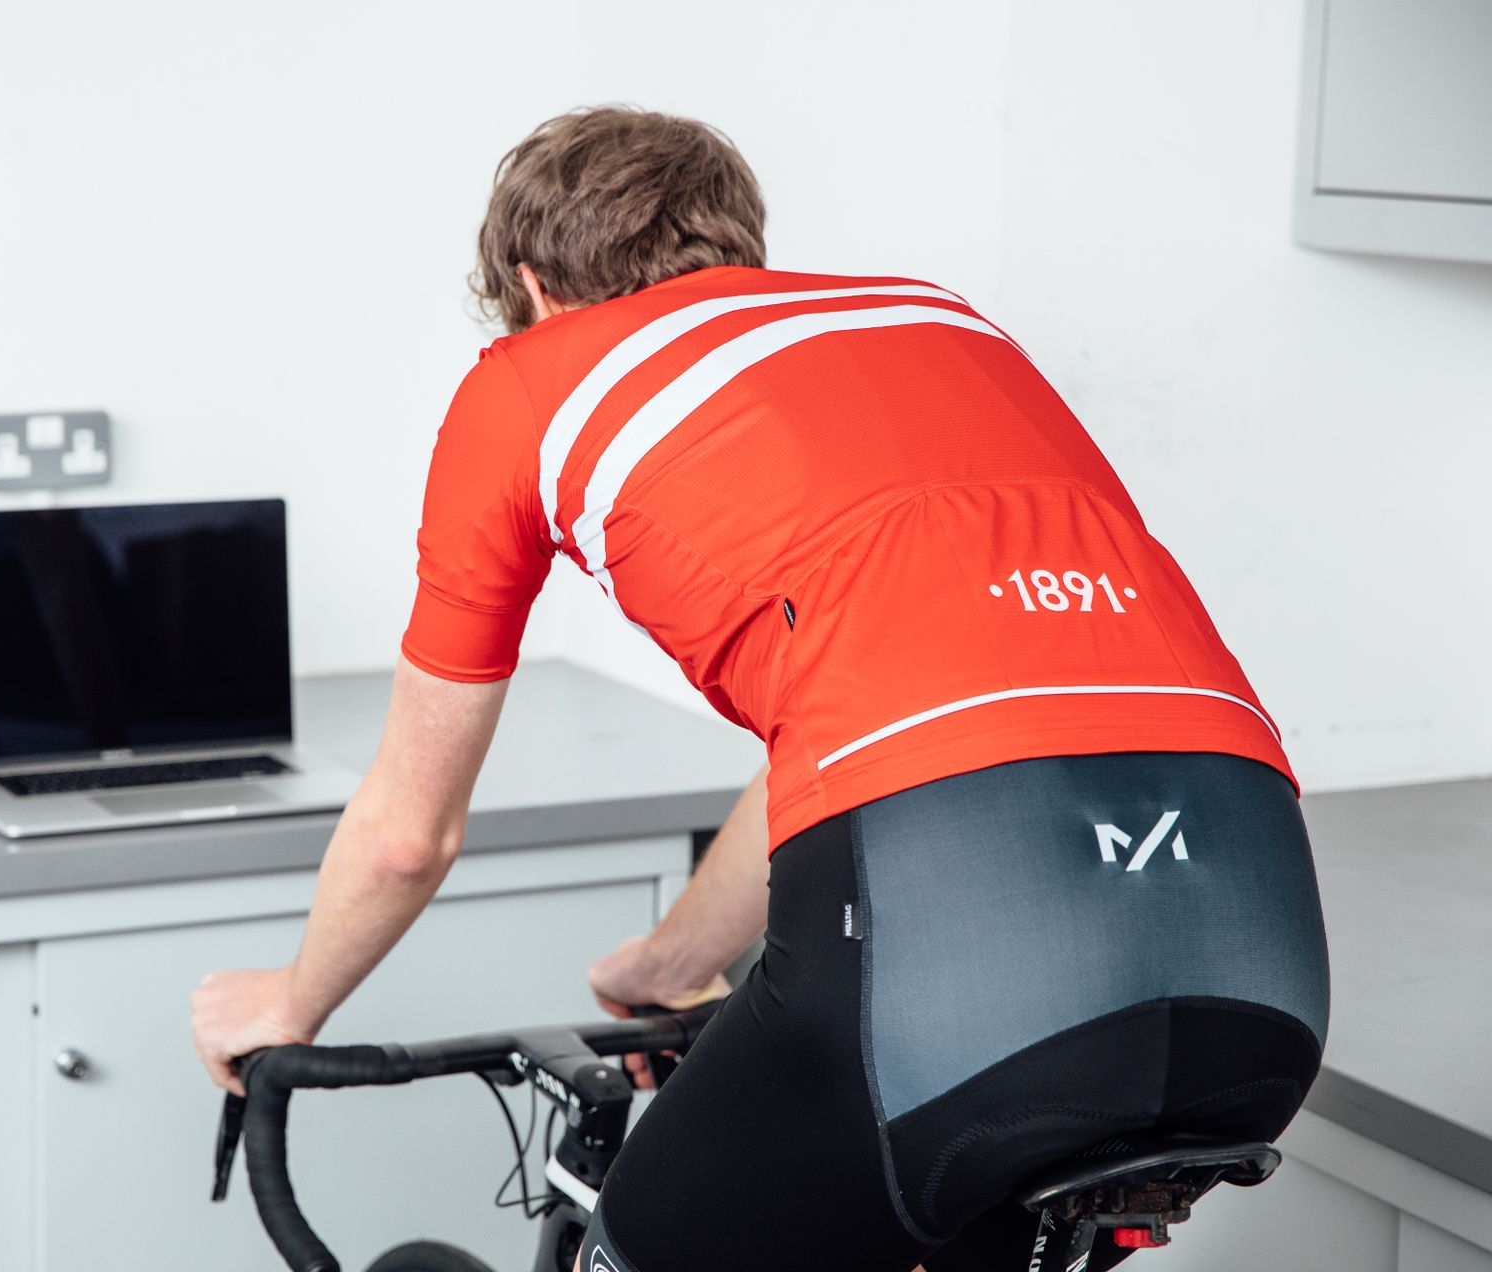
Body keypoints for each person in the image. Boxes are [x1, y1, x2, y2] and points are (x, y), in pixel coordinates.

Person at [190, 106, 1331, 1272]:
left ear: (531, 287)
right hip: (1262, 950)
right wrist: (672, 962)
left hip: (965, 957)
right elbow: (864, 738)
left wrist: (289, 1000)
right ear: (737, 253)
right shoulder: (938, 319)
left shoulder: (527, 383)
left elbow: (405, 834)